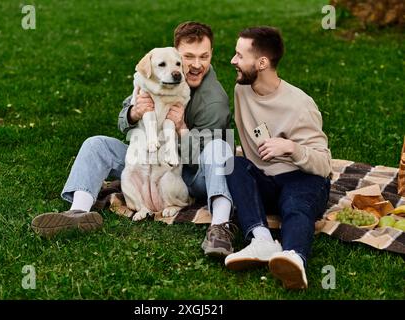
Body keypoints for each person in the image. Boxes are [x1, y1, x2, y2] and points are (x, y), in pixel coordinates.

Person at [31, 21, 237, 257]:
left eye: (204, 56)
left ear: (212, 55)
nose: (196, 65)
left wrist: (181, 128)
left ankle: (219, 227)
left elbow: (203, 160)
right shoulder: (158, 75)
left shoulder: (213, 101)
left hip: (191, 176)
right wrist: (134, 112)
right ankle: (78, 213)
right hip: (150, 160)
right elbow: (123, 123)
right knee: (95, 144)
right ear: (175, 54)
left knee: (220, 149)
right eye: (188, 57)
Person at [224, 26, 332, 289]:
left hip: (303, 177)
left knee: (295, 206)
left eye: (239, 56)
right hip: (266, 180)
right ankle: (261, 239)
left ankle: (294, 257)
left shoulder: (300, 104)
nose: (233, 61)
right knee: (232, 163)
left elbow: (324, 164)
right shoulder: (242, 91)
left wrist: (291, 147)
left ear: (262, 63)